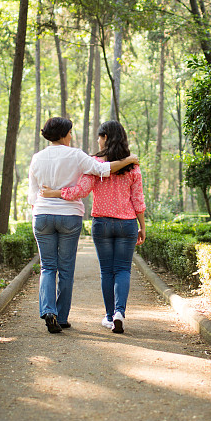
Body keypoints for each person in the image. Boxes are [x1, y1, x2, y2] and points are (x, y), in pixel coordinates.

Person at [29, 117, 138, 334]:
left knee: (48, 267)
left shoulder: (37, 158)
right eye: (69, 132)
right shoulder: (76, 155)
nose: (71, 136)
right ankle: (61, 317)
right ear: (63, 134)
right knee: (66, 268)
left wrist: (39, 212)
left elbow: (33, 194)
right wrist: (129, 160)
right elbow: (103, 169)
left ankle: (48, 311)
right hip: (69, 215)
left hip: (42, 214)